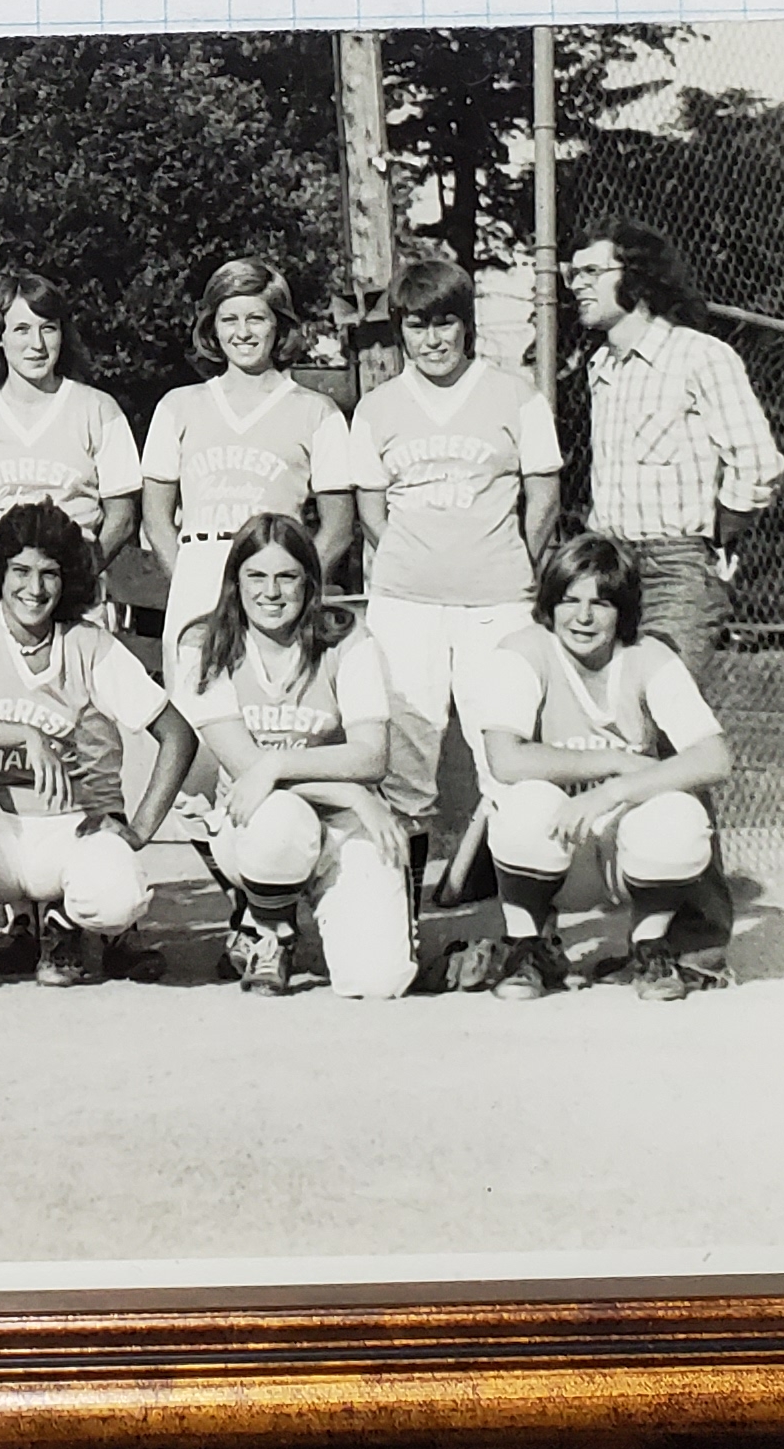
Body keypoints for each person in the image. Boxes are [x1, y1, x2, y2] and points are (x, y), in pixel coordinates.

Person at [322, 251, 562, 865]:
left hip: (498, 601)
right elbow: (371, 512)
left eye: (444, 323)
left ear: (466, 324)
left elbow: (543, 497)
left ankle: (525, 936)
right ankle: (400, 924)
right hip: (406, 603)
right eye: (417, 326)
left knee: (505, 756)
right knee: (405, 759)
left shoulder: (517, 395)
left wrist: (513, 562)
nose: (432, 340)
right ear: (401, 330)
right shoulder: (377, 408)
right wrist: (411, 559)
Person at [0, 499, 195, 996]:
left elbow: (178, 734)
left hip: (61, 833)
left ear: (69, 581)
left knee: (118, 894)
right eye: (20, 570)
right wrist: (24, 734)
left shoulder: (87, 643)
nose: (33, 589)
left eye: (50, 573)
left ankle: (63, 927)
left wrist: (140, 830)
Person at [464, 530, 737, 1000]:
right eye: (570, 600)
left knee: (679, 815)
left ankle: (650, 949)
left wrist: (611, 791)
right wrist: (612, 761)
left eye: (602, 603)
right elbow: (505, 759)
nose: (584, 617)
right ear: (550, 603)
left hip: (619, 848)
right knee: (524, 802)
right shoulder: (523, 650)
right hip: (556, 846)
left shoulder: (648, 656)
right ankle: (529, 945)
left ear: (623, 610)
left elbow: (714, 756)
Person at [169, 514, 413, 995]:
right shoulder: (204, 644)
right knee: (279, 817)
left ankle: (329, 913)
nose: (271, 592)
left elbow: (371, 757)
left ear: (310, 582)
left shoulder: (349, 639)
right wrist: (353, 795)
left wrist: (280, 763)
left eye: (287, 577)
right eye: (256, 576)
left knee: (379, 980)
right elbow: (245, 769)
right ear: (234, 583)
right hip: (254, 824)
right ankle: (270, 931)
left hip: (339, 824)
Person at [566, 219, 784, 679]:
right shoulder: (601, 367)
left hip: (675, 569)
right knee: (608, 715)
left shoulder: (699, 356)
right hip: (607, 568)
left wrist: (723, 530)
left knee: (663, 708)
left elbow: (757, 462)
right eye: (574, 275)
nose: (578, 286)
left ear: (637, 277)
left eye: (591, 273)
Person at [137, 257, 353, 654]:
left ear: (279, 324)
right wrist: (186, 577)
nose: (243, 333)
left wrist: (297, 585)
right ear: (212, 328)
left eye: (256, 318)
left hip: (276, 581)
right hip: (199, 569)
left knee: (274, 705)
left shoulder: (317, 411)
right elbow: (156, 517)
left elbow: (338, 528)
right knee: (196, 702)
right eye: (229, 319)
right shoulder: (179, 406)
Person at [0, 272, 143, 573]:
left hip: (73, 589)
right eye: (21, 329)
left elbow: (121, 518)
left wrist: (81, 577)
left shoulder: (98, 409)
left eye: (48, 329)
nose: (37, 344)